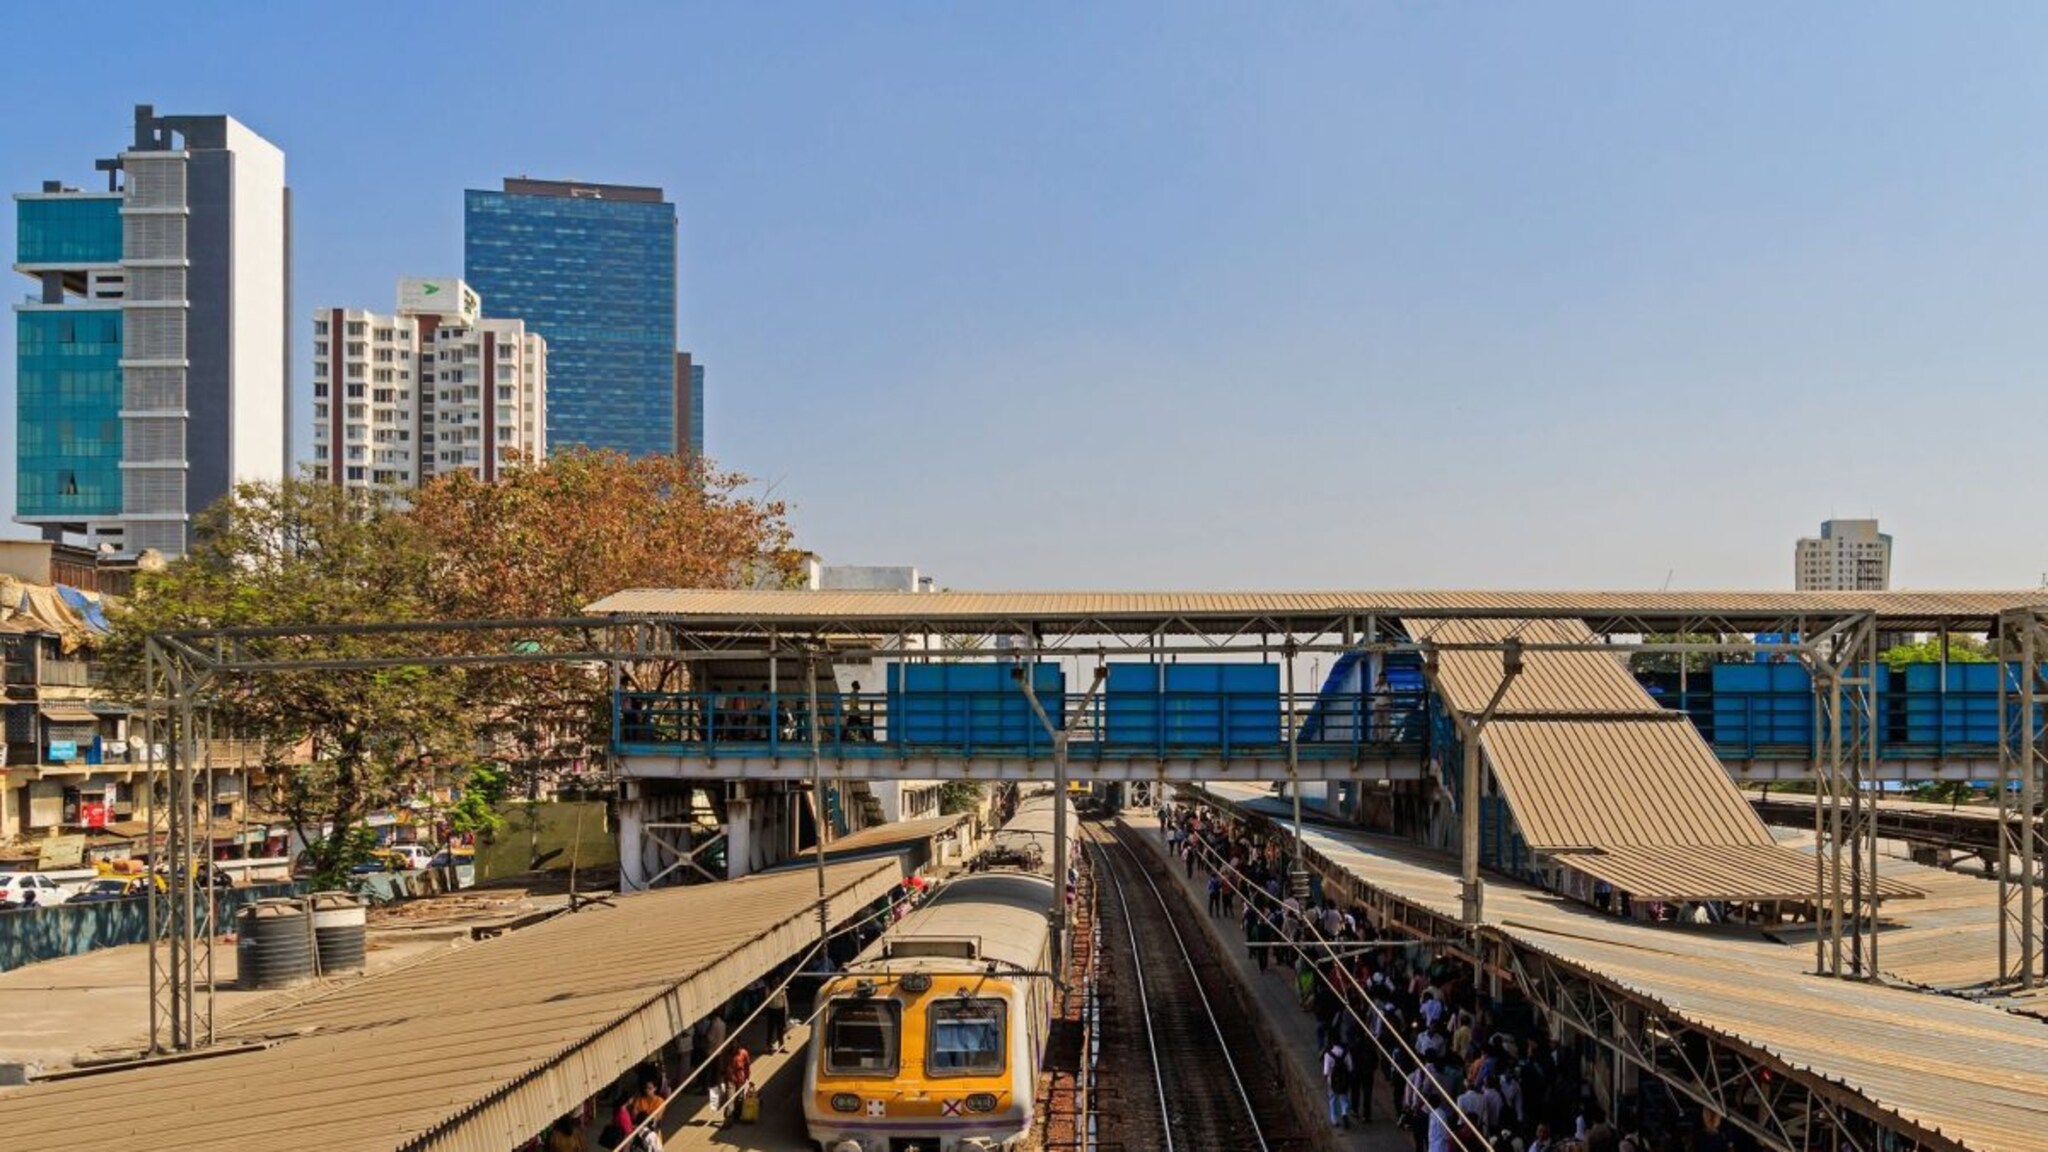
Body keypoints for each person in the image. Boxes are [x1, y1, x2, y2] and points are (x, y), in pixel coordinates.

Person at [1324, 1040, 1355, 1128]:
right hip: (1343, 1080)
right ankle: (1344, 1112)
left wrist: (1325, 1080)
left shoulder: (1328, 1054)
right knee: (1344, 1097)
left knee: (1332, 1099)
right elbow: (1350, 1067)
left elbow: (1326, 1072)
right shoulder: (1346, 1053)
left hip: (1332, 1081)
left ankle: (1334, 1120)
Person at [763, 984, 790, 1054]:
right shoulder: (768, 988)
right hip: (772, 1010)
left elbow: (785, 999)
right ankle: (769, 1048)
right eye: (775, 981)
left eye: (778, 981)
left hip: (781, 1010)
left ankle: (782, 1047)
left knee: (780, 1029)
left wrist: (786, 1010)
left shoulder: (782, 987)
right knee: (771, 1029)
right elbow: (767, 999)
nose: (777, 983)